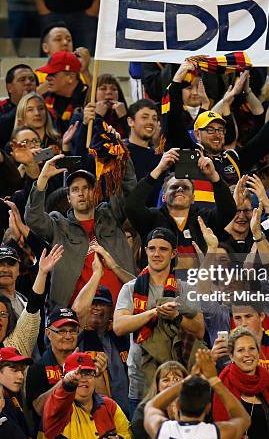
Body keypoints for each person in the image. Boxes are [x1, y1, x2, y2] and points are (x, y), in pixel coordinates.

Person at [114, 227, 205, 416]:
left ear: (173, 254)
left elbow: (199, 331)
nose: (156, 254)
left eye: (163, 249)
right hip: (139, 381)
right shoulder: (130, 289)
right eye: (152, 248)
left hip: (176, 381)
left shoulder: (186, 289)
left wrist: (176, 317)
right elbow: (119, 326)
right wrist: (154, 312)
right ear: (145, 251)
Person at [166, 60, 269, 187]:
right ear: (197, 134)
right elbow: (174, 121)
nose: (217, 134)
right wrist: (177, 80)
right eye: (211, 130)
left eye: (220, 130)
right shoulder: (188, 154)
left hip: (229, 212)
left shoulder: (232, 160)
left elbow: (264, 139)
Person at [24, 155, 137, 308]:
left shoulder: (111, 215)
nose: (81, 193)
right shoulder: (58, 225)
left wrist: (122, 157)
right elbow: (33, 218)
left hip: (120, 312)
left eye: (86, 188)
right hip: (74, 317)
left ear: (95, 193)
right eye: (75, 190)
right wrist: (42, 178)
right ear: (69, 198)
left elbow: (130, 192)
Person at [144, 348, 250, 439]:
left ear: (178, 405)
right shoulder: (218, 433)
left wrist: (189, 378)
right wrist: (214, 379)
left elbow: (151, 406)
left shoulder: (162, 431)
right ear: (208, 408)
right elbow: (243, 418)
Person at [125, 148, 237, 264]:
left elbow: (228, 211)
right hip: (159, 281)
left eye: (185, 187)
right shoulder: (151, 218)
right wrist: (159, 169)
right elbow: (131, 206)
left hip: (200, 280)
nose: (179, 189)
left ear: (193, 198)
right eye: (174, 187)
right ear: (163, 197)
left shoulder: (204, 219)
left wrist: (213, 175)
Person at [36, 351, 132, 439]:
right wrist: (67, 385)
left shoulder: (109, 405)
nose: (83, 379)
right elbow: (59, 400)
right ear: (65, 378)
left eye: (87, 373)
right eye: (77, 374)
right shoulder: (58, 408)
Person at [26, 306, 107, 421]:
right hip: (53, 435)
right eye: (62, 331)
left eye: (72, 331)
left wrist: (98, 377)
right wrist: (65, 381)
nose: (68, 336)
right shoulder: (37, 368)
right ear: (48, 333)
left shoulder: (87, 363)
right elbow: (38, 410)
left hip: (87, 431)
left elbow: (105, 405)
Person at [72, 257, 130, 416]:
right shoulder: (75, 337)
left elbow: (144, 293)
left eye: (102, 304)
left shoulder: (120, 335)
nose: (97, 308)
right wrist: (97, 273)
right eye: (93, 303)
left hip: (126, 413)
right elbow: (77, 312)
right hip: (90, 414)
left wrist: (116, 267)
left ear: (111, 310)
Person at [211, 303, 269, 387]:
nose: (243, 323)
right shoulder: (224, 356)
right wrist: (212, 362)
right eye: (237, 318)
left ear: (261, 316)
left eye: (248, 316)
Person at [0, 244, 61, 357]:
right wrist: (42, 273)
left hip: (29, 366)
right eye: (1, 264)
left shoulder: (23, 299)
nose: (5, 269)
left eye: (11, 264)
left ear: (18, 269)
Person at [131, 360, 188, 439]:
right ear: (157, 386)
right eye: (166, 380)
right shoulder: (143, 411)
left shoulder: (193, 409)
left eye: (177, 379)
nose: (171, 384)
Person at [0, 347, 39, 439]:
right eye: (14, 370)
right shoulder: (3, 402)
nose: (21, 376)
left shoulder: (14, 396)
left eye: (22, 371)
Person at [37, 51, 87, 135]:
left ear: (70, 77)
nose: (47, 78)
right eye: (48, 74)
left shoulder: (88, 99)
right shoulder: (43, 100)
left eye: (53, 74)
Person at [0, 64, 38, 148]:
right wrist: (23, 104)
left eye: (32, 79)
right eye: (22, 79)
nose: (28, 82)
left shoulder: (44, 110)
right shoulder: (1, 109)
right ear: (9, 87)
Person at [125, 100, 161, 182]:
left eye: (154, 119)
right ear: (130, 121)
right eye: (145, 117)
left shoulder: (159, 158)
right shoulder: (120, 153)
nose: (150, 122)